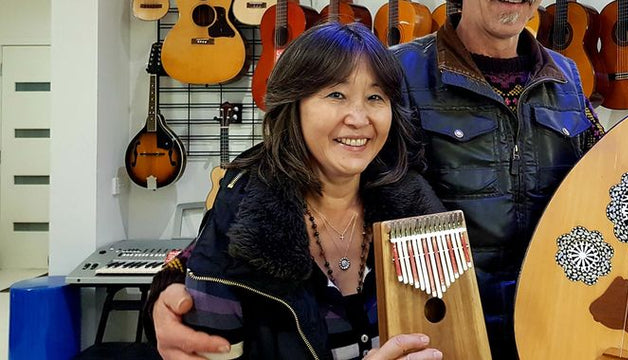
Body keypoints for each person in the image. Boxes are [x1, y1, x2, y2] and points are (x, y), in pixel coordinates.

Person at [150, 0, 628, 359]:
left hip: (561, 326)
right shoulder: (394, 77)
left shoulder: (566, 76)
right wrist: (175, 281)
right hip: (446, 338)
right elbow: (280, 178)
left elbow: (604, 199)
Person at [148, 22, 446, 359]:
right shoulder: (240, 221)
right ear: (294, 103)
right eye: (336, 94)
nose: (359, 118)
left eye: (376, 97)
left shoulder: (417, 210)